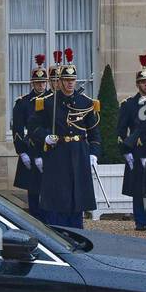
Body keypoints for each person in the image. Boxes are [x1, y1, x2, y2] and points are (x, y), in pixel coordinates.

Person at [29, 48, 99, 229]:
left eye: (72, 80)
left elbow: (94, 131)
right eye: (66, 80)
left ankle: (77, 229)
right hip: (58, 152)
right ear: (59, 81)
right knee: (58, 195)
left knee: (77, 194)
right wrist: (46, 137)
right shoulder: (48, 102)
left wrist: (94, 153)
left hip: (78, 152)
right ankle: (58, 231)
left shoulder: (86, 103)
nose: (70, 84)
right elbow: (33, 127)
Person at [116, 54, 146, 230]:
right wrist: (126, 152)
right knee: (138, 188)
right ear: (137, 84)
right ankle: (140, 220)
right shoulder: (129, 105)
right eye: (143, 82)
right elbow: (120, 131)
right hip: (136, 150)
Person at [11, 55, 50, 220]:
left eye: (43, 82)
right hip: (31, 149)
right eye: (38, 83)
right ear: (32, 83)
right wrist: (22, 152)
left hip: (49, 149)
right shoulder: (23, 103)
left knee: (49, 188)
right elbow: (18, 130)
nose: (41, 85)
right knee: (33, 189)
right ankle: (35, 219)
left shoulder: (52, 100)